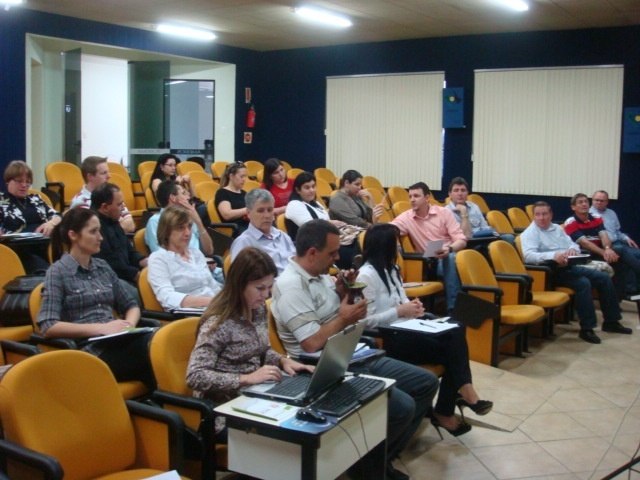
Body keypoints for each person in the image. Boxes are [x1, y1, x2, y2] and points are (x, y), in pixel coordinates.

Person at [271, 219, 438, 480]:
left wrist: (342, 292)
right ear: (312, 253)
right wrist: (345, 318)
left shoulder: (321, 277)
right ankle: (369, 468)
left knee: (425, 383)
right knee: (403, 407)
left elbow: (336, 314)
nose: (338, 258)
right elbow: (311, 342)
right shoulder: (291, 285)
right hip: (325, 365)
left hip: (354, 351)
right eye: (332, 253)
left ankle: (377, 461)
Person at [356, 223, 492, 436]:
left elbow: (401, 301)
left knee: (456, 330)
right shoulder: (366, 276)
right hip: (390, 338)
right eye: (396, 244)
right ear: (384, 246)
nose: (399, 248)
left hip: (409, 329)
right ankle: (457, 400)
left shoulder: (392, 269)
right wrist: (400, 311)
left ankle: (455, 401)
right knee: (452, 352)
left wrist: (414, 308)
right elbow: (366, 322)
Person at [186, 247, 313, 441]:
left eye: (269, 287)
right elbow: (195, 376)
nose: (266, 295)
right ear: (239, 284)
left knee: (307, 411)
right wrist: (246, 378)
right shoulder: (218, 322)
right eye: (260, 288)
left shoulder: (258, 309)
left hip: (256, 394)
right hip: (223, 410)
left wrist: (282, 361)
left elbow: (261, 349)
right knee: (291, 433)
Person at [37, 207, 155, 388]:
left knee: (160, 341)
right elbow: (48, 325)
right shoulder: (57, 272)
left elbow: (131, 305)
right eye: (93, 232)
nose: (100, 237)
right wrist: (101, 328)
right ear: (73, 235)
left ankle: (167, 406)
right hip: (90, 353)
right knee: (155, 354)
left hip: (119, 340)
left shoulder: (103, 266)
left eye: (99, 230)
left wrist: (129, 325)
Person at [520, 201, 631, 344]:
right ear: (533, 216)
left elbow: (572, 243)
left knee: (603, 277)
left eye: (545, 214)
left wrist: (573, 250)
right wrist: (553, 256)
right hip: (549, 272)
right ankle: (587, 329)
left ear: (551, 214)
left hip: (568, 266)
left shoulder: (557, 228)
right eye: (538, 214)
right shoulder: (530, 233)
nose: (541, 218)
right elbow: (528, 256)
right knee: (583, 283)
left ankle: (611, 321)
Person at [391, 182, 467, 313]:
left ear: (427, 198)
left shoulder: (444, 213)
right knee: (451, 260)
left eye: (416, 196)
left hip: (450, 253)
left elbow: (461, 239)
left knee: (461, 258)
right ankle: (454, 310)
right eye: (410, 196)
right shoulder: (406, 217)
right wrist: (374, 219)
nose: (412, 200)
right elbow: (386, 231)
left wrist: (449, 249)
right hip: (431, 262)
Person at [148, 205, 222, 311]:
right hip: (191, 315)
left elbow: (212, 285)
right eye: (180, 228)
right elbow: (167, 297)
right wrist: (213, 302)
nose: (187, 233)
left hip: (214, 307)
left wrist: (226, 300)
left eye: (189, 227)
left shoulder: (195, 253)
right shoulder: (158, 259)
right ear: (166, 231)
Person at [285, 172, 359, 269]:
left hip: (323, 240)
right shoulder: (294, 205)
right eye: (307, 188)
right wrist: (330, 223)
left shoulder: (316, 204)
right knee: (346, 251)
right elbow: (310, 227)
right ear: (298, 190)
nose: (312, 190)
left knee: (356, 242)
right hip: (310, 245)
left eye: (313, 186)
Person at [564, 193, 630, 299]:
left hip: (599, 251)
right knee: (619, 252)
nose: (584, 204)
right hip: (585, 254)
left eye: (586, 201)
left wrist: (608, 249)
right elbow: (585, 243)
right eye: (580, 202)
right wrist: (604, 252)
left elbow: (604, 235)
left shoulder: (596, 217)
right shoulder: (570, 222)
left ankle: (618, 298)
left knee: (619, 261)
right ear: (573, 207)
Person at [0, 160, 61, 272]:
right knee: (44, 268)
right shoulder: (1, 201)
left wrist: (51, 223)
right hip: (18, 249)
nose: (24, 185)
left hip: (44, 244)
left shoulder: (35, 199)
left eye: (28, 182)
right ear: (8, 181)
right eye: (19, 181)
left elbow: (57, 215)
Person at [90, 183, 147, 301]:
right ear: (105, 207)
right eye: (119, 204)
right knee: (143, 295)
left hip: (127, 274)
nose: (123, 208)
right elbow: (110, 264)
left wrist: (145, 261)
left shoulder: (113, 221)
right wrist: (138, 275)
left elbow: (129, 251)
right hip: (110, 279)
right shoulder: (94, 229)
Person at [230, 188, 295, 274]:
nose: (267, 215)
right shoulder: (244, 242)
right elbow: (240, 279)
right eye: (260, 211)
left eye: (270, 210)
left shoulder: (283, 236)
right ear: (248, 213)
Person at [590, 190, 640, 295]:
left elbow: (618, 231)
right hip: (606, 246)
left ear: (607, 202)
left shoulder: (611, 213)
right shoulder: (589, 214)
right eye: (596, 200)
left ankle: (634, 288)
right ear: (592, 200)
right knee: (629, 256)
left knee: (638, 254)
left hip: (619, 241)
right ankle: (631, 290)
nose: (599, 202)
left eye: (602, 201)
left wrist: (626, 238)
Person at [70, 156, 134, 233]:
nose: (109, 176)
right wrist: (118, 224)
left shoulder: (113, 195)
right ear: (90, 177)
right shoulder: (81, 202)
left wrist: (108, 228)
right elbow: (95, 232)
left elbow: (130, 225)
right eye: (104, 173)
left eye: (108, 172)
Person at [445, 176, 514, 244]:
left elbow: (484, 227)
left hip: (481, 239)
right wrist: (464, 212)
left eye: (463, 190)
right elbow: (465, 236)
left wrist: (492, 234)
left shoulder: (474, 207)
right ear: (450, 194)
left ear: (467, 193)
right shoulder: (446, 212)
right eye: (456, 190)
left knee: (509, 237)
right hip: (466, 244)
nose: (460, 194)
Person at [214, 161, 249, 237]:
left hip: (247, 226)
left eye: (245, 176)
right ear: (231, 176)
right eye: (241, 176)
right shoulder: (222, 193)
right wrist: (248, 210)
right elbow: (227, 214)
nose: (244, 179)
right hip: (234, 229)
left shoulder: (244, 193)